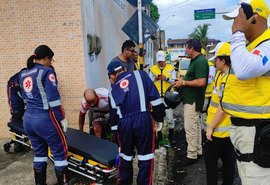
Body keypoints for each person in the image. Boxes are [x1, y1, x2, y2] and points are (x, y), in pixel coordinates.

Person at [222, 0, 270, 184]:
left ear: (254, 19)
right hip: (247, 135)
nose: (234, 24)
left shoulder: (267, 44)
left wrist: (237, 34)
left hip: (259, 134)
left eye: (238, 19)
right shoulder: (252, 46)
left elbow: (244, 70)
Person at [107, 61, 166, 185]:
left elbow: (113, 120)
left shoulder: (112, 92)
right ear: (123, 69)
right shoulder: (141, 75)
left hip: (124, 124)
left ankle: (124, 182)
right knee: (145, 157)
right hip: (144, 119)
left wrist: (117, 138)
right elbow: (156, 100)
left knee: (125, 157)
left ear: (112, 75)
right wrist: (159, 119)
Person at [19, 45, 69, 185]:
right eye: (51, 60)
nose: (51, 63)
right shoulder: (47, 72)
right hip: (44, 119)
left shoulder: (23, 74)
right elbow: (54, 99)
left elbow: (22, 95)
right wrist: (62, 118)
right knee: (60, 152)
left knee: (39, 154)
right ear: (46, 58)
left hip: (28, 119)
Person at [204, 42, 236, 185]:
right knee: (228, 163)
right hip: (227, 131)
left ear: (223, 61)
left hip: (219, 131)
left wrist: (210, 128)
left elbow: (222, 108)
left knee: (211, 161)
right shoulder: (221, 74)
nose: (214, 61)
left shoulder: (228, 79)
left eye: (216, 59)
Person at [174, 39, 209, 166]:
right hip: (192, 99)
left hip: (193, 100)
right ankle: (197, 151)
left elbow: (201, 82)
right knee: (196, 126)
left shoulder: (200, 61)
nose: (185, 51)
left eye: (186, 48)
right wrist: (182, 80)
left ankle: (192, 155)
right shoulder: (196, 61)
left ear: (192, 48)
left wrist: (183, 82)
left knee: (190, 127)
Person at [149, 50, 177, 146]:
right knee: (157, 118)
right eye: (159, 61)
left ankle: (171, 137)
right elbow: (148, 82)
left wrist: (167, 79)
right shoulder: (152, 69)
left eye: (162, 61)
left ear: (165, 59)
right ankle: (158, 136)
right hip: (156, 97)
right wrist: (155, 78)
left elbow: (174, 82)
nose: (160, 63)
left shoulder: (171, 68)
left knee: (169, 117)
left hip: (168, 97)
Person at [7, 68, 27, 152]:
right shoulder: (26, 76)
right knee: (16, 113)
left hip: (21, 90)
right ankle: (17, 142)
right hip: (13, 90)